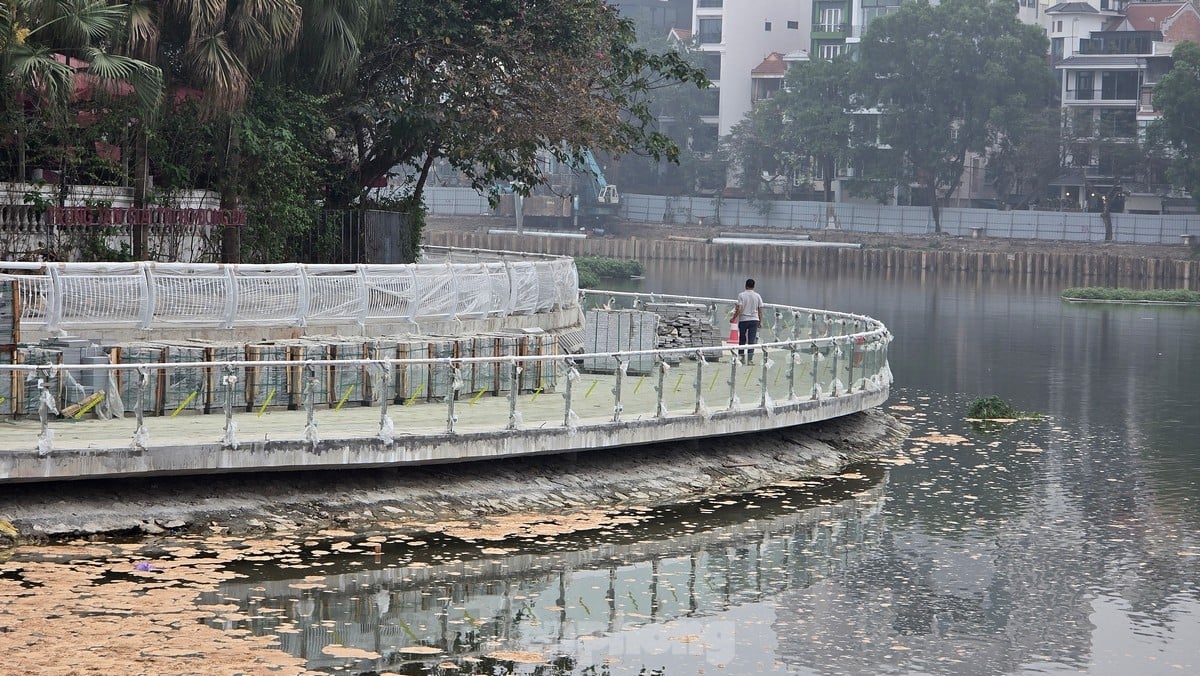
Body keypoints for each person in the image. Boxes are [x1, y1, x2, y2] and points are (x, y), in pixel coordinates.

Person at [732, 278, 764, 364]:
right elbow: (760, 310)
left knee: (742, 339)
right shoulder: (757, 296)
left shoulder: (741, 295)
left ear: (745, 285)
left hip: (743, 320)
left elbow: (739, 309)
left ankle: (741, 357)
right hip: (754, 320)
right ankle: (750, 360)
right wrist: (760, 321)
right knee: (751, 340)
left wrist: (734, 318)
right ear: (754, 286)